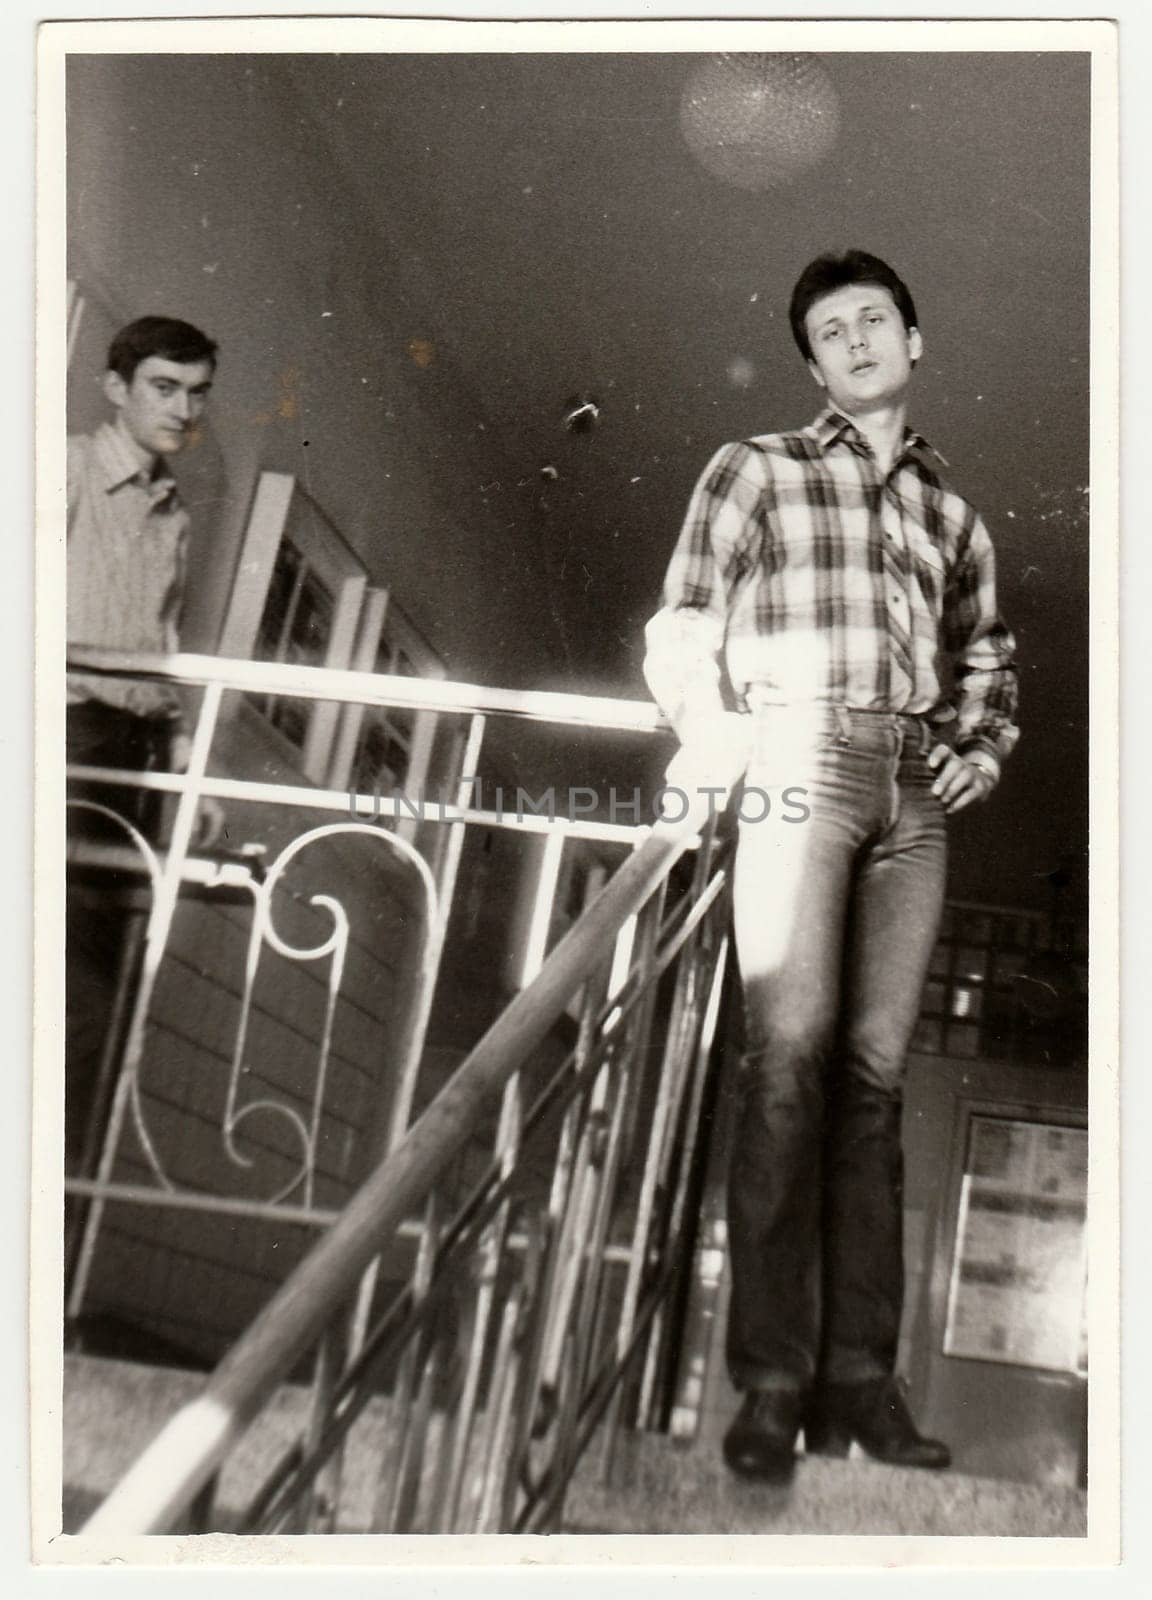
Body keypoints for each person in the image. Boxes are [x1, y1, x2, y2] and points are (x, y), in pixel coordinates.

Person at [644, 251, 1018, 1485]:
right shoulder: (755, 467)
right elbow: (687, 617)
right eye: (829, 331)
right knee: (788, 1060)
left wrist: (981, 748)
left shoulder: (954, 518)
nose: (855, 341)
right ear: (812, 364)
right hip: (799, 758)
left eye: (874, 321)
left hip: (914, 792)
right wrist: (716, 732)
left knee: (870, 1080)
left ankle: (863, 1383)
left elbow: (986, 662)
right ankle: (768, 1384)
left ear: (914, 339)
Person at [67, 314, 219, 817]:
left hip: (140, 745)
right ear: (116, 387)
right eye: (164, 387)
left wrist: (183, 752)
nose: (183, 410)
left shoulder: (174, 512)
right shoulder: (65, 467)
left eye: (197, 393)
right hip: (62, 728)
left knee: (122, 892)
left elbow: (163, 640)